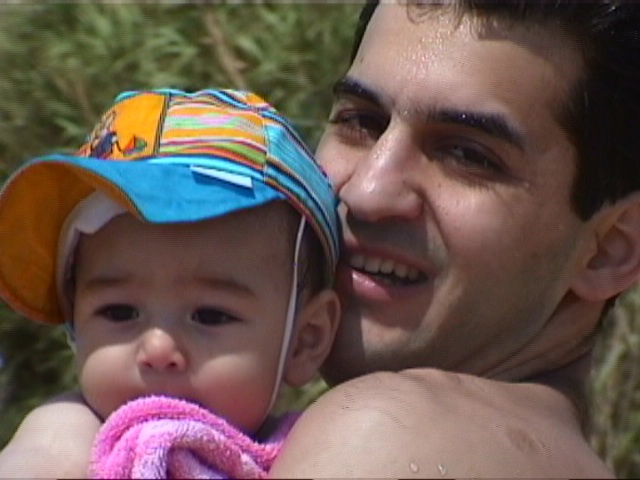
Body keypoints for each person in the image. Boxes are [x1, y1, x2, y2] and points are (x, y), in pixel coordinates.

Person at [4, 0, 640, 477]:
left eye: (469, 155)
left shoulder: (385, 436)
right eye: (361, 121)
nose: (366, 192)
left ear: (613, 247)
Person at [0, 88, 341, 477]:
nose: (158, 348)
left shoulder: (320, 450)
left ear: (303, 340)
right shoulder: (63, 436)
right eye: (119, 311)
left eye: (210, 315)